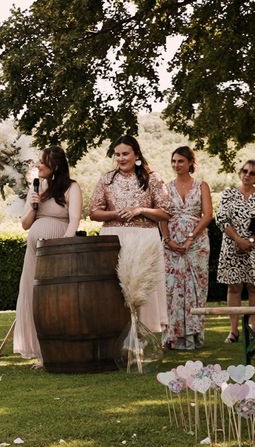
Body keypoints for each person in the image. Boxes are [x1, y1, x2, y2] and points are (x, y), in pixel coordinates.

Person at [89, 135, 171, 332]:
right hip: (113, 239)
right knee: (114, 289)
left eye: (125, 154)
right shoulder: (106, 179)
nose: (121, 158)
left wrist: (140, 210)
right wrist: (115, 213)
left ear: (136, 155)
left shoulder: (153, 178)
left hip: (144, 239)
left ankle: (142, 339)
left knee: (142, 289)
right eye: (117, 155)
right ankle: (117, 336)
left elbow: (166, 212)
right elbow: (93, 212)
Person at [13, 146, 83, 368]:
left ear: (55, 165)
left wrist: (63, 247)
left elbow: (74, 221)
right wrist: (35, 205)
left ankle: (61, 349)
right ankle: (42, 353)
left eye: (42, 162)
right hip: (34, 252)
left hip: (57, 250)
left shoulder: (72, 188)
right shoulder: (37, 188)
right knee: (35, 299)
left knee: (55, 300)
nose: (37, 165)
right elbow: (25, 225)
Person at [159, 147, 212, 350]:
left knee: (196, 288)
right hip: (172, 244)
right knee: (171, 288)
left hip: (196, 244)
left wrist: (191, 237)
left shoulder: (201, 186)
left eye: (180, 161)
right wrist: (167, 239)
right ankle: (172, 336)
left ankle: (193, 335)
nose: (176, 165)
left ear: (190, 162)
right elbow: (162, 214)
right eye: (173, 161)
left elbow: (207, 215)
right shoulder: (166, 187)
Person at [215, 160, 255, 343]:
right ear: (240, 172)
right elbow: (221, 220)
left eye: (252, 173)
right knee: (234, 287)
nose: (247, 175)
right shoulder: (228, 194)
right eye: (245, 171)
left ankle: (253, 329)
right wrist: (238, 240)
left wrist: (250, 241)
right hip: (232, 247)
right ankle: (233, 331)